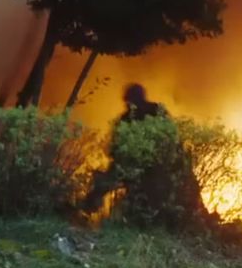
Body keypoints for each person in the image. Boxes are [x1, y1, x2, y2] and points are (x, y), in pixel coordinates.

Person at [84, 83, 209, 228]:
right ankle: (87, 210)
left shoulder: (144, 114)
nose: (129, 105)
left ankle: (88, 209)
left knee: (109, 183)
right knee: (105, 182)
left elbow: (172, 139)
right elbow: (117, 148)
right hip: (144, 166)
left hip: (154, 168)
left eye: (130, 101)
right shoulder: (143, 114)